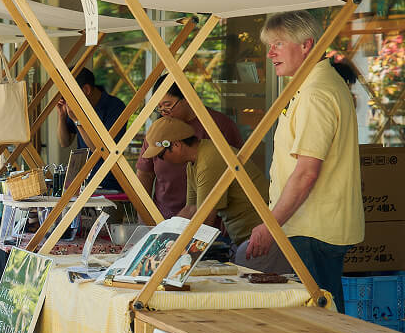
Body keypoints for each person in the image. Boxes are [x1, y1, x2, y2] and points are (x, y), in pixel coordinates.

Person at [249, 11, 364, 333]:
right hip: (312, 225)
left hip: (313, 228)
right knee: (323, 323)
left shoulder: (315, 92)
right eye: (269, 45)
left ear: (307, 45)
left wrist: (270, 224)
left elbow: (306, 174)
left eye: (278, 44)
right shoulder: (311, 86)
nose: (271, 53)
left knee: (322, 328)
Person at [140, 117, 284, 272]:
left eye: (160, 155)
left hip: (261, 239)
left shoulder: (209, 160)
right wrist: (162, 236)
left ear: (176, 145)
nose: (160, 160)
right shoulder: (193, 162)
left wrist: (171, 251)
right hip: (244, 237)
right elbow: (191, 208)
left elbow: (205, 219)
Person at [136, 75, 244, 218]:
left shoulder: (219, 126)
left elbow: (238, 172)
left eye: (168, 106)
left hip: (214, 221)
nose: (164, 113)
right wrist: (144, 217)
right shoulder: (159, 129)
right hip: (164, 218)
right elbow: (145, 173)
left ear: (187, 98)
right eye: (159, 108)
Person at [56, 68, 127, 190]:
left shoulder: (115, 107)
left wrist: (77, 121)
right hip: (83, 179)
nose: (66, 98)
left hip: (109, 181)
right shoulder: (78, 108)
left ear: (86, 90)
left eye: (68, 93)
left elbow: (101, 150)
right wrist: (62, 116)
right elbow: (64, 142)